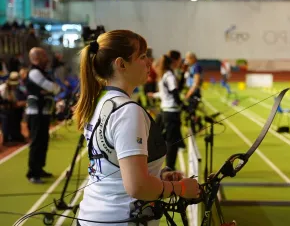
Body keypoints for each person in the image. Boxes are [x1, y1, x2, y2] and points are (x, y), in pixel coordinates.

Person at [73, 30, 199, 226]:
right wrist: (181, 188)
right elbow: (138, 187)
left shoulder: (101, 100)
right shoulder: (127, 111)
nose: (149, 62)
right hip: (120, 219)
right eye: (142, 57)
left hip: (93, 216)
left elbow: (113, 162)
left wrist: (158, 173)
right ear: (121, 64)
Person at [25, 47, 61, 183]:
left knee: (43, 141)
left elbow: (53, 89)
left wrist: (49, 91)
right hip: (36, 114)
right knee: (36, 143)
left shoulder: (42, 72)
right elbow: (53, 88)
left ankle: (39, 168)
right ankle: (32, 173)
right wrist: (51, 90)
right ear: (36, 58)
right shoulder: (34, 72)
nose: (47, 58)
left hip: (43, 112)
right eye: (44, 56)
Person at [148, 53, 185, 171]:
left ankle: (158, 164)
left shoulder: (164, 75)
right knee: (172, 142)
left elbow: (170, 92)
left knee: (163, 138)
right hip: (171, 112)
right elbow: (174, 92)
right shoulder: (169, 75)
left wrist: (153, 95)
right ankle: (170, 167)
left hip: (165, 111)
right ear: (171, 64)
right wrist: (183, 105)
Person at [0, 71, 26, 146]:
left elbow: (14, 102)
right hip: (4, 108)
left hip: (10, 107)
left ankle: (15, 135)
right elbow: (5, 102)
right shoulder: (3, 88)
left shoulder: (17, 87)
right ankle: (6, 138)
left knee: (16, 114)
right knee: (6, 117)